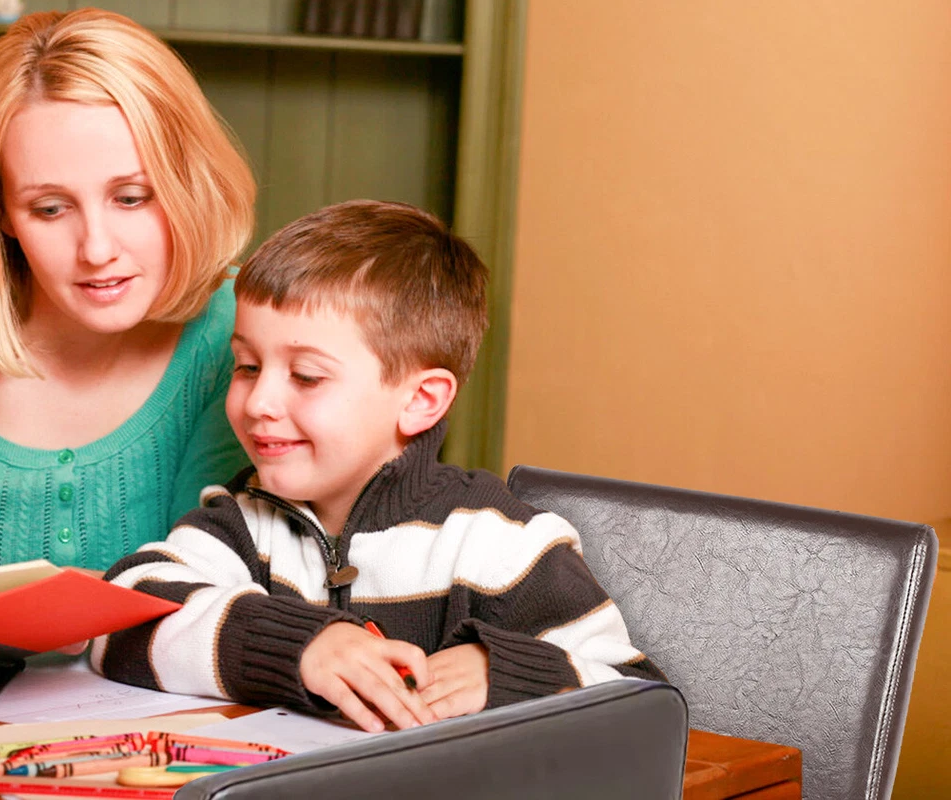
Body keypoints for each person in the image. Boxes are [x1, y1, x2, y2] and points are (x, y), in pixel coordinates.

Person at [92, 200, 663, 732]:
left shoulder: (499, 542)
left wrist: (503, 672)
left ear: (420, 400)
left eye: (306, 376)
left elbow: (641, 700)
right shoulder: (244, 522)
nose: (258, 402)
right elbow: (117, 619)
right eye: (247, 366)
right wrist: (301, 647)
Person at [0, 7, 256, 570]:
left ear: (187, 184)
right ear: (3, 213)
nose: (96, 248)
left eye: (131, 198)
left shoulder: (242, 329)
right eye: (50, 208)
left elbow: (221, 578)